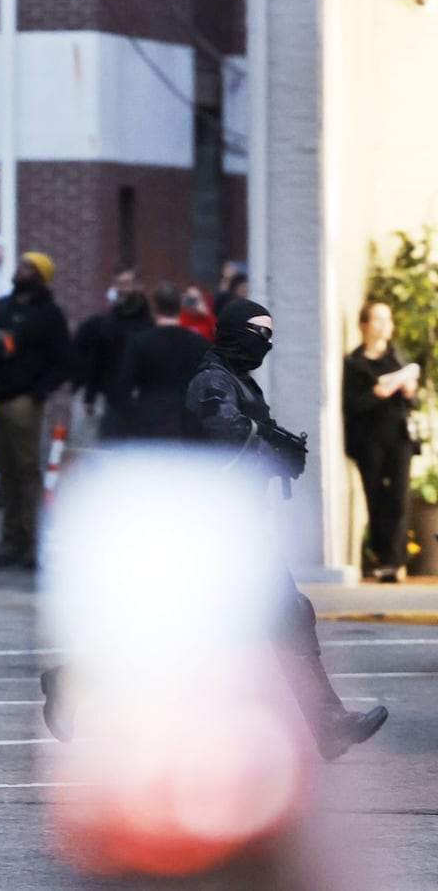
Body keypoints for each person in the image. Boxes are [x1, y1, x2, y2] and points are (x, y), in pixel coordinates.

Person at [172, 298, 388, 759]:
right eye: (257, 332)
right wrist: (272, 444)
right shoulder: (212, 381)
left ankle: (326, 724)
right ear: (233, 331)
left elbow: (250, 430)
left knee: (281, 615)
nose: (265, 343)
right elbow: (227, 432)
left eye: (270, 334)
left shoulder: (237, 381)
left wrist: (277, 447)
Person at [0, 252, 71, 568]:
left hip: (23, 401)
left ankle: (36, 540)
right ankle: (11, 538)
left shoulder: (49, 315)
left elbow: (64, 361)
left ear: (41, 276)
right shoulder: (2, 308)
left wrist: (38, 392)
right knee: (5, 473)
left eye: (28, 268)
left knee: (27, 472)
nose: (20, 271)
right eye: (20, 266)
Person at [343, 301, 420, 582]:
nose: (385, 325)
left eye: (388, 319)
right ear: (364, 324)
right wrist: (377, 393)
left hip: (399, 437)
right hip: (368, 439)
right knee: (375, 498)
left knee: (399, 497)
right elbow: (350, 405)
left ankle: (395, 560)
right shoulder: (354, 362)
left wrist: (410, 392)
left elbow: (413, 402)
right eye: (378, 319)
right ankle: (383, 557)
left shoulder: (397, 357)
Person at [115, 282, 209, 441]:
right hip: (189, 427)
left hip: (150, 423)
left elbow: (123, 388)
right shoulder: (200, 344)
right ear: (181, 307)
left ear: (154, 308)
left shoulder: (140, 342)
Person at [71, 268, 153, 442]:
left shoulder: (149, 325)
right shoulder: (107, 322)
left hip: (136, 399)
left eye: (126, 284)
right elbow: (96, 358)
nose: (122, 290)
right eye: (119, 285)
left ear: (139, 286)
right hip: (106, 397)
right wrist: (90, 395)